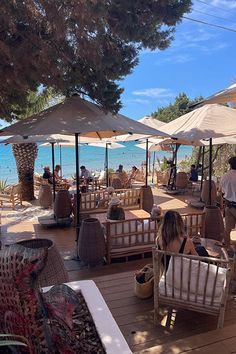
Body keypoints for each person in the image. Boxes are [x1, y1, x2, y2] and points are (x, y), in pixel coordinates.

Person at [220, 156, 236, 247]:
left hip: (228, 206)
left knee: (227, 229)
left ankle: (227, 248)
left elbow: (221, 192)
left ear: (230, 165)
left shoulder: (225, 176)